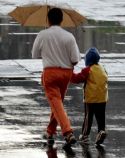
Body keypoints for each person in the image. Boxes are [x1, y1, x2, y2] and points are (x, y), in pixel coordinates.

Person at [32, 8, 81, 147]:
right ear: (62, 20)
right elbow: (75, 59)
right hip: (66, 74)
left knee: (56, 103)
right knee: (57, 103)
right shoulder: (69, 36)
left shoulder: (43, 34)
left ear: (48, 20)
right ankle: (50, 131)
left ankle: (68, 132)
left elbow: (34, 54)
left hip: (50, 74)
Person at [71, 47, 108, 145]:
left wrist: (70, 72)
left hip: (90, 98)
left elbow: (76, 79)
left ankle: (85, 136)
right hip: (102, 98)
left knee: (88, 117)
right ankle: (101, 131)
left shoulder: (88, 70)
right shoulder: (102, 68)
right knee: (101, 117)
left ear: (87, 60)